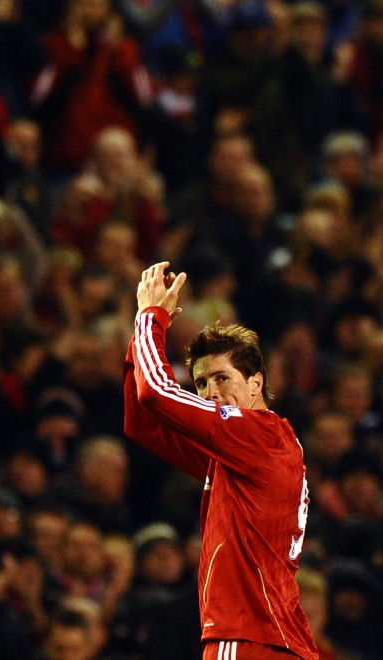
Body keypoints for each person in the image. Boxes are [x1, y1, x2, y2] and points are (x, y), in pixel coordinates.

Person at [124, 261, 318, 659]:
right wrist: (138, 339)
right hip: (281, 641)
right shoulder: (250, 453)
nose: (210, 393)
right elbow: (144, 425)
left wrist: (151, 317)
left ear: (256, 382)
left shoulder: (255, 432)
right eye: (199, 383)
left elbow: (155, 394)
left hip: (245, 636)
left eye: (221, 378)